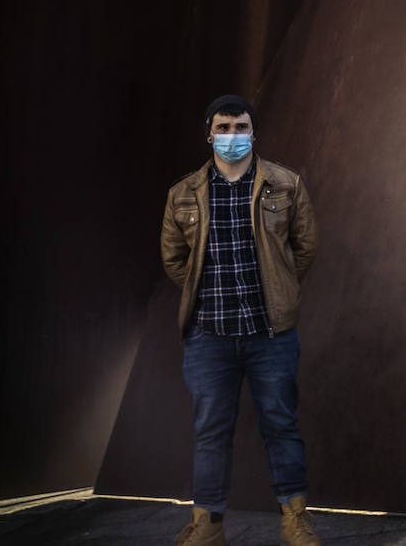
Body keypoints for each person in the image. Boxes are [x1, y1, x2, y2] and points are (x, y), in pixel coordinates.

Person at [160, 94, 321, 546]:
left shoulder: (285, 185)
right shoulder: (183, 194)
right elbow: (174, 260)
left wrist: (280, 287)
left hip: (270, 334)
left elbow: (304, 248)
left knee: (281, 424)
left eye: (241, 127)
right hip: (208, 335)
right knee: (210, 432)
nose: (233, 136)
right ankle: (207, 526)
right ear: (209, 133)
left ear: (254, 131)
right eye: (225, 127)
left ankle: (295, 521)